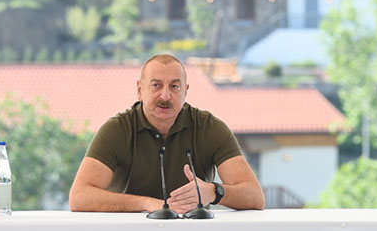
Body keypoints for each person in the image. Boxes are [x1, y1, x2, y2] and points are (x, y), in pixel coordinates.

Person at [69, 54, 265, 213]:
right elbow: (79, 196)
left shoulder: (210, 128)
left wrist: (214, 192)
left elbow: (255, 196)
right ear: (139, 90)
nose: (165, 96)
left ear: (185, 91)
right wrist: (146, 203)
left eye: (174, 86)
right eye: (156, 85)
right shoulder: (116, 130)